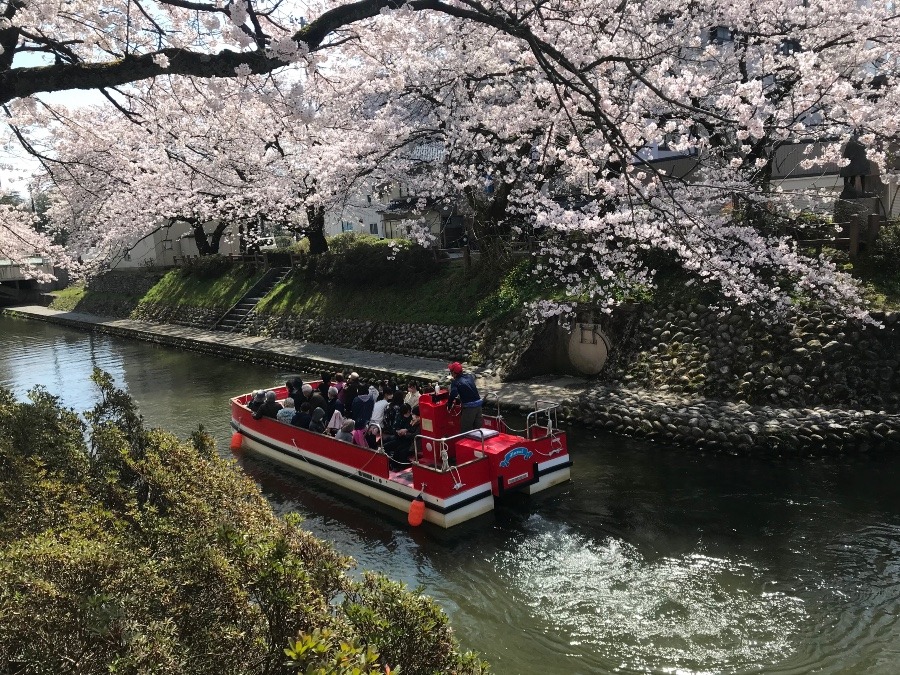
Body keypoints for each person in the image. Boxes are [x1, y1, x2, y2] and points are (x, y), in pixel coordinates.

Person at [447, 361, 483, 432]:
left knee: (465, 432)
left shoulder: (455, 382)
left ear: (453, 373)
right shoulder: (469, 377)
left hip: (469, 409)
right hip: (479, 407)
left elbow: (453, 394)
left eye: (451, 372)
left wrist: (449, 405)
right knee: (477, 431)